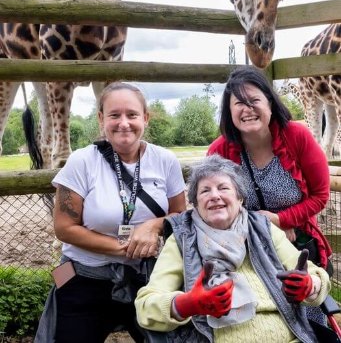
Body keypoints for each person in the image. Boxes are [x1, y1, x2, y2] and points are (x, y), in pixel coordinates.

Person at [35, 82, 186, 343]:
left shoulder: (165, 160)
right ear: (101, 119)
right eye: (114, 115)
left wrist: (152, 227)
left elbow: (179, 216)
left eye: (132, 114)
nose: (123, 123)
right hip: (83, 275)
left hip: (145, 278)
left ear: (145, 118)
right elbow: (64, 228)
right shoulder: (82, 161)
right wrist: (123, 247)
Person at [135, 155, 330, 342]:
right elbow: (145, 307)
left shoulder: (263, 227)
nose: (214, 196)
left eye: (223, 188)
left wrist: (310, 285)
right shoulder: (182, 238)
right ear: (194, 204)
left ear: (240, 199)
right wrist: (187, 304)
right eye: (205, 191)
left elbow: (313, 274)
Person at [207, 67, 333, 325]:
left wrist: (282, 220)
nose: (247, 109)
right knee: (264, 321)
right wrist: (263, 225)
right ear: (229, 112)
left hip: (298, 246)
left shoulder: (298, 137)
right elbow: (211, 204)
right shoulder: (219, 151)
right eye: (239, 103)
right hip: (246, 249)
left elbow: (321, 195)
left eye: (254, 100)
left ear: (270, 104)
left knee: (308, 320)